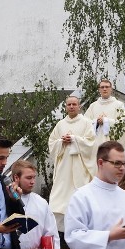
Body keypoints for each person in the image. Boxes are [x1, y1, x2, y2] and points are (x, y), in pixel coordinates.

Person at [48, 96, 97, 233]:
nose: (71, 106)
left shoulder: (86, 123)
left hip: (79, 165)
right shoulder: (60, 124)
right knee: (60, 197)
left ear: (79, 106)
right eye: (69, 104)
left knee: (78, 196)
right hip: (64, 166)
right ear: (65, 107)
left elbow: (91, 143)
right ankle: (61, 231)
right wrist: (61, 142)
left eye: (74, 104)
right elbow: (52, 142)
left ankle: (81, 227)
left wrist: (75, 139)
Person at [85, 79, 125, 150]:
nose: (104, 89)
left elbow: (122, 124)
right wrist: (96, 121)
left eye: (107, 87)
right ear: (99, 90)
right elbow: (85, 123)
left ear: (111, 89)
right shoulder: (93, 106)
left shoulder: (119, 105)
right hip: (96, 144)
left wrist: (106, 121)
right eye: (102, 87)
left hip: (112, 143)